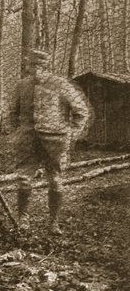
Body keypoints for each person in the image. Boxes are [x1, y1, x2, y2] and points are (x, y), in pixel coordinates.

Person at [11, 49, 91, 235]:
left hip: (56, 141)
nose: (36, 70)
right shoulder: (21, 86)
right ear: (28, 67)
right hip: (28, 141)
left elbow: (81, 112)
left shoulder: (61, 84)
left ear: (46, 66)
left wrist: (71, 133)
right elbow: (12, 112)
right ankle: (23, 219)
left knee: (55, 180)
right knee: (24, 178)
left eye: (39, 66)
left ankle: (53, 223)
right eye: (32, 65)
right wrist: (17, 132)